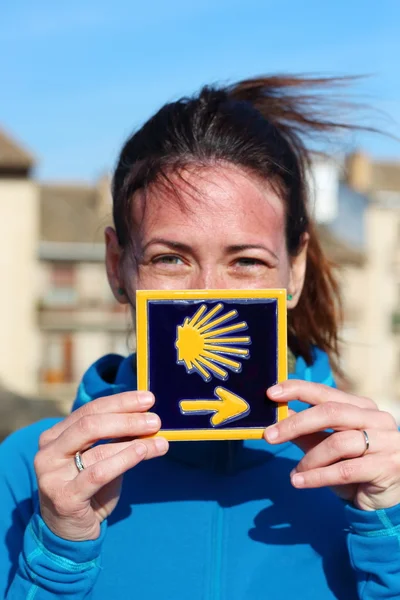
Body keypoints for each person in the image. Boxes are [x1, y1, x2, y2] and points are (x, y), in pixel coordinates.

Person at [1, 75, 399, 600]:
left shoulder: (378, 474)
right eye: (170, 258)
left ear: (295, 270)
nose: (208, 293)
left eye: (247, 262)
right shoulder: (29, 471)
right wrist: (56, 554)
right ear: (117, 266)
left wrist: (388, 533)